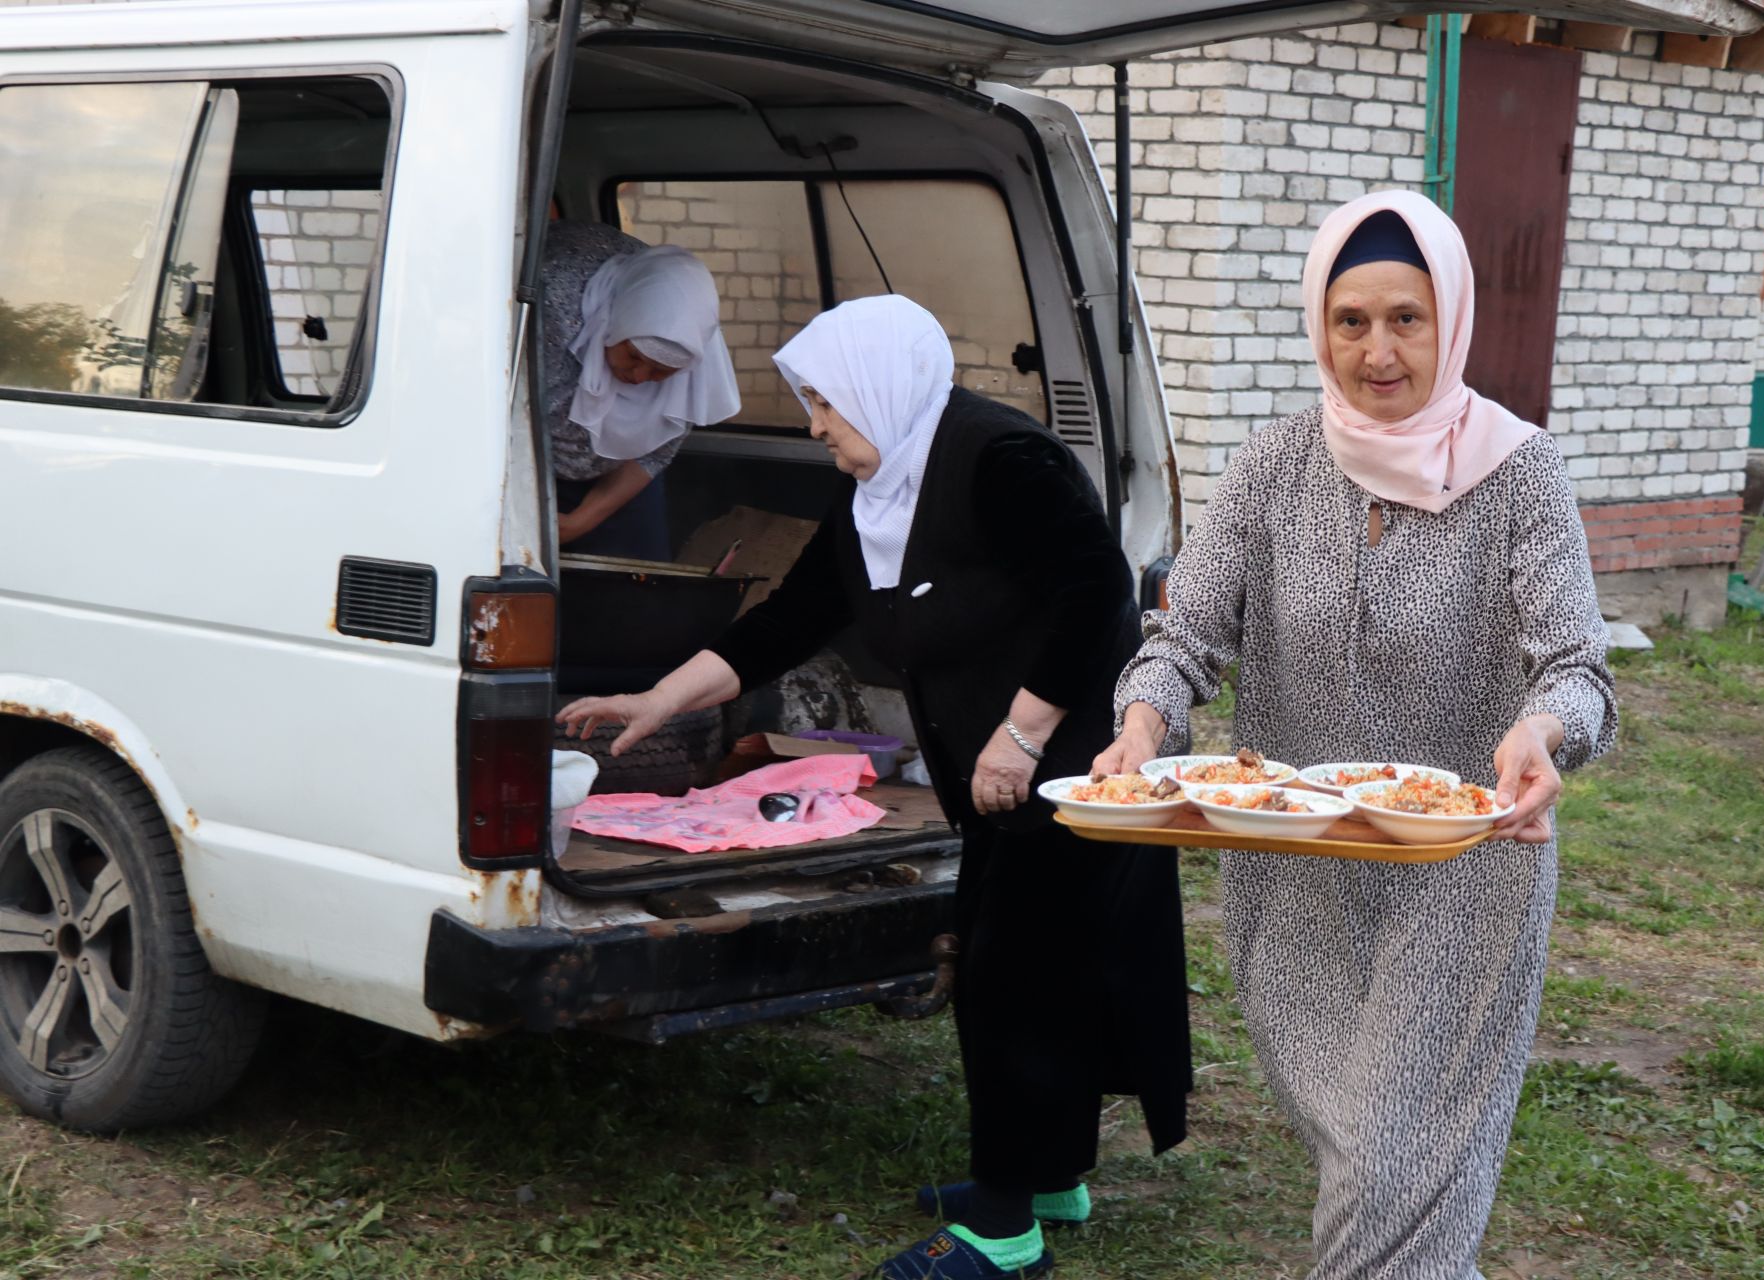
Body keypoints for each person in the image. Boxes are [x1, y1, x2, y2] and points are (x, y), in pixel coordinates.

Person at [558, 295, 1191, 1280]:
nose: (815, 425)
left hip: (1067, 762)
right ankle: (1047, 1174)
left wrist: (1022, 733)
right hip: (993, 775)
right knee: (1018, 966)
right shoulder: (877, 488)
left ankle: (1004, 1224)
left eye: (823, 402)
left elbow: (1095, 584)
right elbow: (784, 623)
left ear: (876, 387)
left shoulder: (996, 460)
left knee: (1013, 974)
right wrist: (654, 698)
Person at [1095, 190, 1617, 1280]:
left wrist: (1543, 729)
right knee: (1370, 1162)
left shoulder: (1521, 471)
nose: (1377, 350)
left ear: (1452, 319)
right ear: (1318, 325)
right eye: (1351, 320)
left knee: (1390, 1169)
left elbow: (1578, 666)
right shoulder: (1273, 465)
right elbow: (1187, 635)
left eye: (1407, 319)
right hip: (1294, 866)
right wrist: (1142, 725)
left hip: (1464, 864)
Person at [538, 220, 739, 558]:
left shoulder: (693, 350)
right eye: (633, 356)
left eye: (662, 371)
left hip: (620, 482)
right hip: (526, 466)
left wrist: (580, 522)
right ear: (614, 324)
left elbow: (655, 450)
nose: (640, 376)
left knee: (637, 591)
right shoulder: (552, 304)